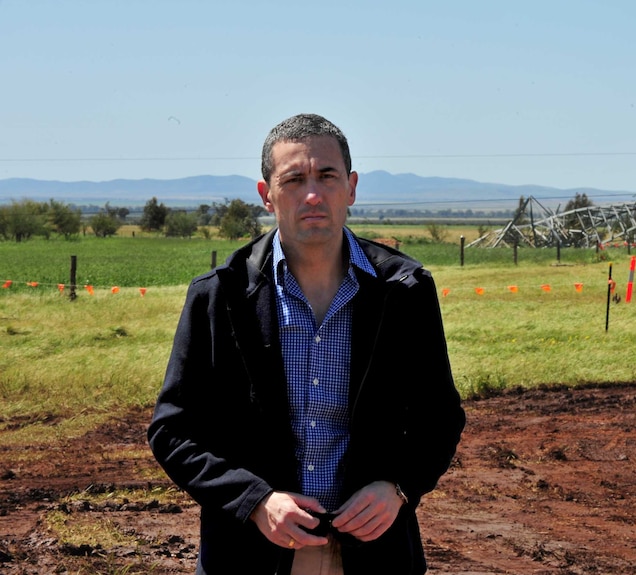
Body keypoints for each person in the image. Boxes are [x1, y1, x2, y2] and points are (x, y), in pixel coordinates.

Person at [148, 113, 465, 575]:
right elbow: (172, 431)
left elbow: (440, 417)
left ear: (352, 188)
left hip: (375, 556)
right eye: (294, 179)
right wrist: (255, 501)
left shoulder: (404, 292)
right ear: (267, 195)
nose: (313, 194)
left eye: (327, 176)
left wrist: (397, 486)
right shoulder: (220, 295)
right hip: (250, 555)